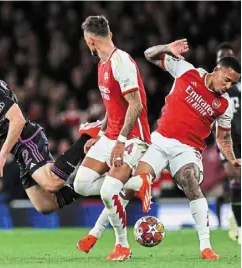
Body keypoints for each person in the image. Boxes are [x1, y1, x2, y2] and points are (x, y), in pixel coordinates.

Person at [124, 38, 240, 260]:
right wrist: (167, 48)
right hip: (160, 140)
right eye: (226, 80)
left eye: (232, 84)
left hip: (187, 149)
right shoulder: (187, 71)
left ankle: (206, 247)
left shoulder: (224, 105)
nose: (227, 87)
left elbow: (223, 138)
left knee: (190, 181)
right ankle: (118, 242)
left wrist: (232, 159)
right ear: (216, 70)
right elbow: (149, 54)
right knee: (131, 187)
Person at [0, 49, 88, 215]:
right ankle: (87, 185)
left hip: (27, 141)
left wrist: (3, 154)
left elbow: (17, 120)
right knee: (45, 206)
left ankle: (85, 139)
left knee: (52, 183)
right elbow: (3, 123)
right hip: (19, 149)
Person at [73, 15, 152, 261]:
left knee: (108, 191)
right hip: (112, 135)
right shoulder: (102, 64)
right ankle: (137, 184)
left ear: (90, 41)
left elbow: (136, 105)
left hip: (133, 137)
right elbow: (111, 105)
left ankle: (123, 246)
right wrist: (101, 134)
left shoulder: (122, 62)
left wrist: (120, 141)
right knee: (81, 184)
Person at [215, 43, 241, 244]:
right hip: (226, 138)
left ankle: (235, 215)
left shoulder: (239, 84)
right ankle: (239, 225)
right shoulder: (214, 85)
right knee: (236, 178)